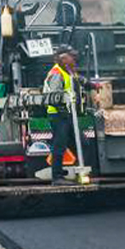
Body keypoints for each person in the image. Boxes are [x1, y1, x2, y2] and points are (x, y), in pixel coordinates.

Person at [43, 48, 100, 181]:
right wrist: (65, 109)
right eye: (72, 58)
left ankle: (78, 171)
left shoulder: (67, 71)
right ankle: (56, 177)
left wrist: (93, 85)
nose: (74, 61)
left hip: (68, 116)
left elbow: (79, 80)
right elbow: (55, 97)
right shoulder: (57, 73)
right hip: (59, 116)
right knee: (60, 145)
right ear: (63, 59)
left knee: (83, 143)